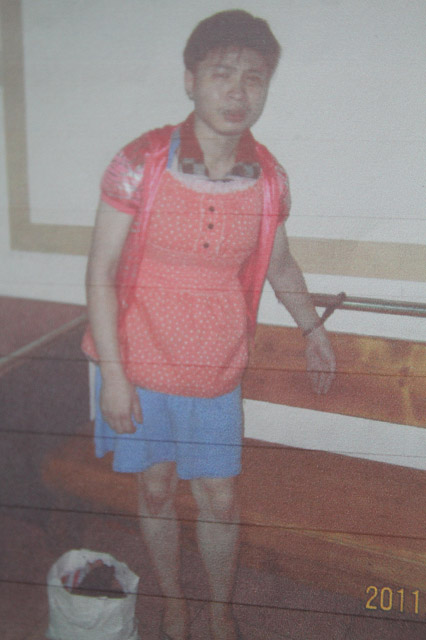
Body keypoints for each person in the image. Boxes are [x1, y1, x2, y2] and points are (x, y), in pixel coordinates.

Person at [82, 10, 336, 640]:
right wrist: (114, 376)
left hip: (217, 370)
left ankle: (220, 611)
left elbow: (280, 264)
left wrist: (312, 329)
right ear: (190, 80)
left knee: (220, 497)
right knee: (156, 489)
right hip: (138, 365)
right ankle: (174, 601)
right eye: (222, 73)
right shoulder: (139, 162)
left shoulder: (269, 179)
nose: (238, 91)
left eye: (254, 77)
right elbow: (101, 271)